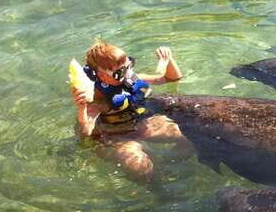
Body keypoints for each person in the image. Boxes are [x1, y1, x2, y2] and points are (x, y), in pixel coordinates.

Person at [70, 40, 191, 181]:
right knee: (139, 167)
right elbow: (84, 135)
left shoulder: (131, 79)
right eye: (121, 72)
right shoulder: (98, 98)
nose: (128, 73)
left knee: (190, 133)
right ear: (102, 75)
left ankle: (167, 162)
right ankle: (159, 190)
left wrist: (168, 60)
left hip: (143, 124)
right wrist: (81, 108)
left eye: (129, 65)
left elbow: (171, 78)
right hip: (116, 137)